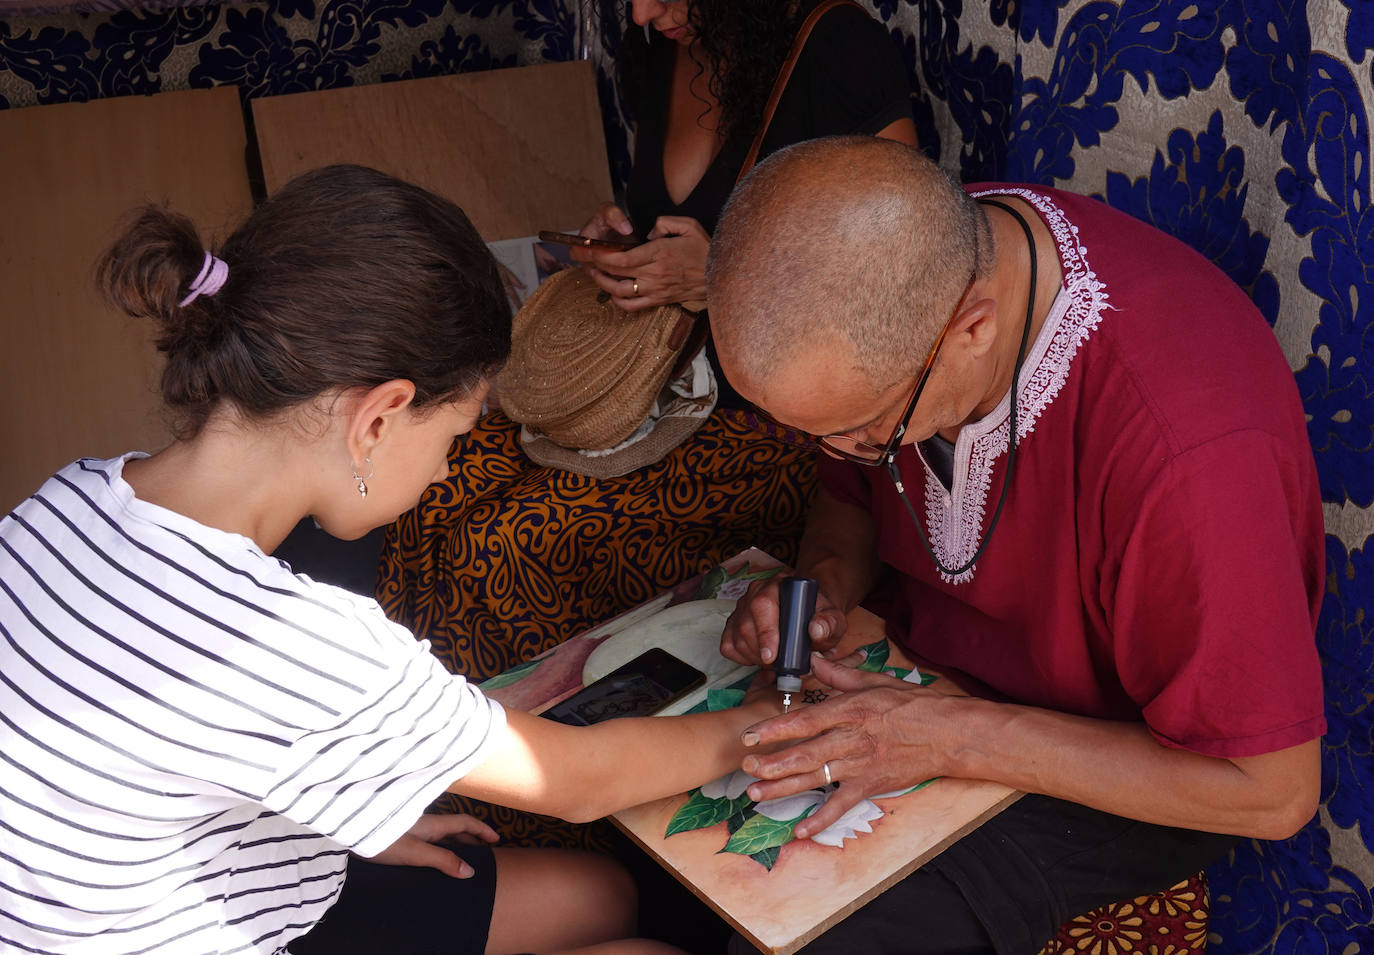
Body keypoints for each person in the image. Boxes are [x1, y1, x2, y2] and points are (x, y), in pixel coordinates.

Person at [0, 164, 780, 955]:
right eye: (455, 435)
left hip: (156, 895)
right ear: (379, 417)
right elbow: (575, 779)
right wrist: (764, 722)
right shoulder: (290, 644)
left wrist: (326, 822)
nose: (447, 468)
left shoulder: (68, 497)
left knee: (598, 896)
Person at [707, 137, 1325, 954]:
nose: (844, 450)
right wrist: (823, 580)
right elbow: (842, 500)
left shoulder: (1188, 454)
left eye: (866, 431)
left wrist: (954, 736)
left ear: (973, 327)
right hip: (930, 671)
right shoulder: (913, 265)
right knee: (708, 870)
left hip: (1122, 765)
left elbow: (1272, 792)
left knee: (829, 932)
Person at [376, 0, 921, 701]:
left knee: (503, 546)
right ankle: (424, 769)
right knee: (432, 491)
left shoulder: (837, 47)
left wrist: (723, 275)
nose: (640, 11)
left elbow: (904, 272)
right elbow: (690, 222)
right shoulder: (671, 42)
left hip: (774, 430)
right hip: (664, 389)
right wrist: (629, 246)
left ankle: (546, 796)